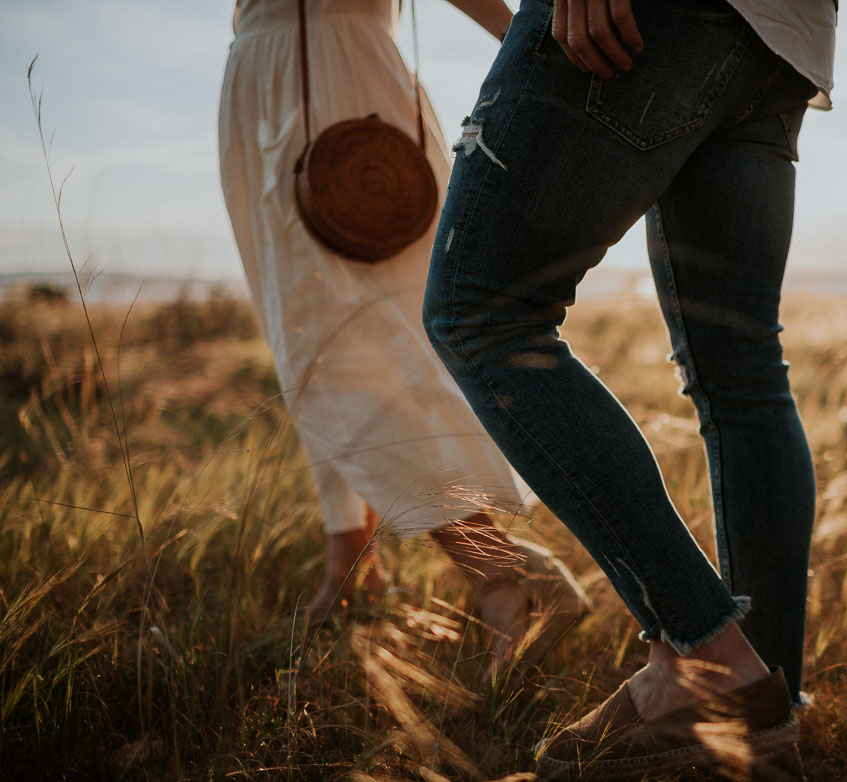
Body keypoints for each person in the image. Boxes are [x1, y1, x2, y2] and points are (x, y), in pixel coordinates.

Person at [423, 0, 835, 776]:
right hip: (786, 35)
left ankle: (707, 662)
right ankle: (758, 709)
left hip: (662, 15)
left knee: (478, 311)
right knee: (740, 369)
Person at [217, 0, 589, 668]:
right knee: (314, 341)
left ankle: (505, 578)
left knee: (337, 352)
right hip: (275, 76)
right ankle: (349, 558)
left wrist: (530, 38)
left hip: (332, 86)